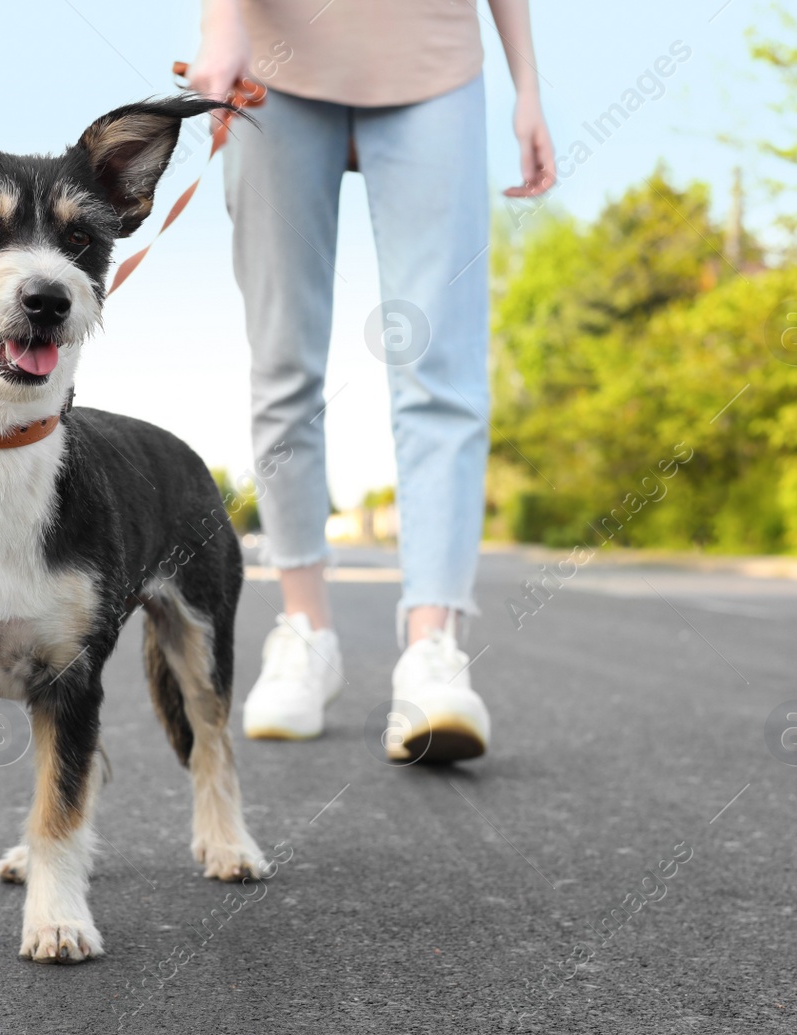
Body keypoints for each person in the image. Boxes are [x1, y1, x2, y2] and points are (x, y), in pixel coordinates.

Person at [187, 0, 554, 762]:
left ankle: (432, 647)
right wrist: (221, 28)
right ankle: (305, 630)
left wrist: (527, 83)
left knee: (440, 367)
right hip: (275, 60)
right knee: (283, 361)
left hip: (436, 56)